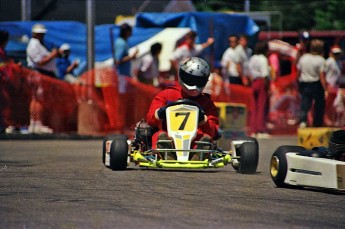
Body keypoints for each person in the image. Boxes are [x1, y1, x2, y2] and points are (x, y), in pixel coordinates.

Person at [146, 57, 219, 159]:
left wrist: (203, 120)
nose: (193, 84)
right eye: (190, 79)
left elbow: (213, 130)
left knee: (205, 138)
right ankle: (167, 152)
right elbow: (150, 119)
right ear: (181, 75)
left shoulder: (206, 103)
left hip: (194, 137)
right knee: (160, 135)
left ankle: (198, 154)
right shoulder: (166, 95)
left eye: (198, 80)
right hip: (169, 134)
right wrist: (161, 112)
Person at [297, 39, 326, 128]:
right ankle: (317, 123)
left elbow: (298, 72)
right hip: (316, 84)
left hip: (304, 83)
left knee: (305, 103)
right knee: (319, 104)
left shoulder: (303, 57)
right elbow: (322, 76)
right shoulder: (321, 60)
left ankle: (303, 121)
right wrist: (325, 88)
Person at [248, 40, 273, 138]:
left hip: (254, 81)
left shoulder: (253, 58)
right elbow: (265, 75)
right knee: (262, 106)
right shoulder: (263, 59)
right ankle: (261, 130)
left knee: (255, 107)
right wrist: (268, 87)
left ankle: (253, 129)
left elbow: (249, 70)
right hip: (261, 82)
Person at [114, 23, 138, 93]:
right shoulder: (121, 43)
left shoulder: (123, 42)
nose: (131, 33)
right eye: (130, 31)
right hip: (121, 76)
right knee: (122, 95)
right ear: (126, 32)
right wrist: (131, 57)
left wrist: (131, 57)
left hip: (123, 76)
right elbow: (117, 60)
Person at [324, 45, 343, 126]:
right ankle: (325, 119)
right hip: (329, 85)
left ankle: (332, 120)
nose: (336, 55)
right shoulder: (329, 61)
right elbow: (323, 73)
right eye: (335, 53)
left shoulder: (338, 62)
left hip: (335, 86)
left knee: (334, 104)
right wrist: (325, 86)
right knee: (327, 104)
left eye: (338, 53)